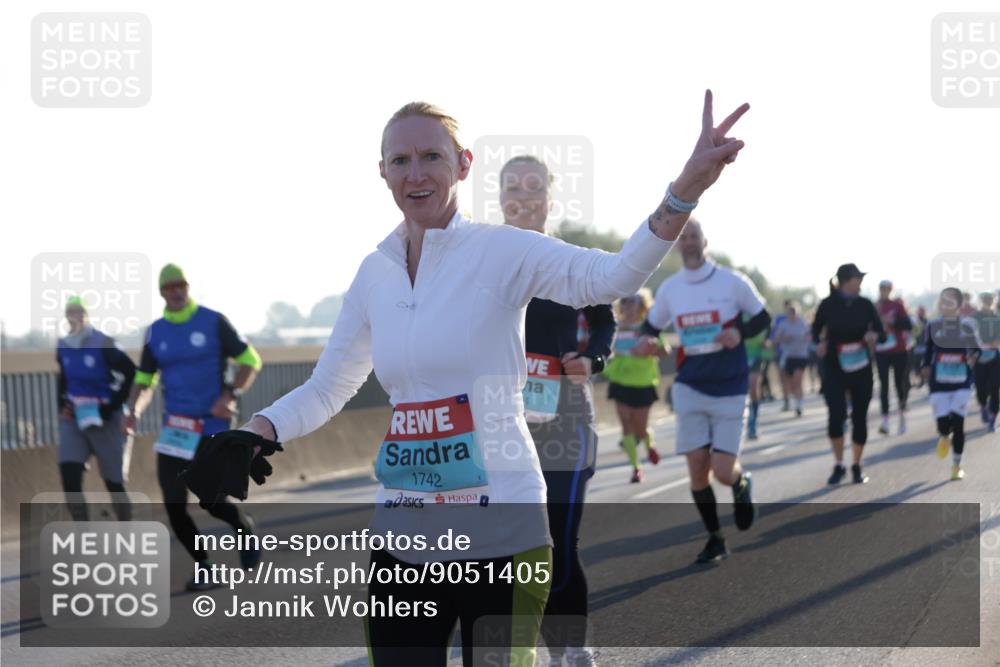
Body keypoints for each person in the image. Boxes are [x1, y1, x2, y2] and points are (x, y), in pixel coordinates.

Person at [229, 94, 750, 665]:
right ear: (382, 172)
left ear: (464, 164)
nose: (416, 173)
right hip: (404, 537)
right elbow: (329, 386)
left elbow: (615, 276)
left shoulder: (501, 251)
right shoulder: (373, 272)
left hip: (503, 530)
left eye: (432, 156)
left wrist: (685, 191)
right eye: (400, 161)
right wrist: (257, 429)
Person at [500, 154, 614, 667]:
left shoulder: (572, 259)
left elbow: (605, 319)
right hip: (499, 421)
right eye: (511, 187)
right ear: (500, 198)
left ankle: (571, 651)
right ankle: (535, 650)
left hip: (565, 416)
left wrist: (592, 359)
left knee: (558, 543)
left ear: (549, 196)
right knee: (514, 547)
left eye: (533, 186)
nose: (522, 196)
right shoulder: (483, 261)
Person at [637, 220, 770, 564]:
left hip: (729, 386)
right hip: (690, 385)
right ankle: (715, 538)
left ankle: (741, 485)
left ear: (705, 241)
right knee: (698, 467)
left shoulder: (732, 282)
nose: (689, 242)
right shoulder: (670, 289)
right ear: (677, 245)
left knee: (723, 471)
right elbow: (649, 327)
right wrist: (649, 342)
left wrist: (738, 332)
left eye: (694, 235)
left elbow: (762, 318)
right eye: (683, 238)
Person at [124, 264, 263, 591]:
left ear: (188, 287)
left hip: (211, 425)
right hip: (176, 430)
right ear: (162, 292)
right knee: (173, 504)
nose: (176, 290)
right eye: (170, 286)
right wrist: (133, 411)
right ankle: (205, 566)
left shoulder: (212, 321)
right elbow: (144, 379)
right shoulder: (156, 332)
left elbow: (250, 360)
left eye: (181, 284)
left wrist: (231, 393)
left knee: (212, 501)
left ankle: (242, 527)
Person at [56, 295, 136, 522]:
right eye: (70, 311)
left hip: (106, 417)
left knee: (114, 483)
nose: (75, 316)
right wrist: (62, 405)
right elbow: (63, 378)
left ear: (86, 314)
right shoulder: (63, 345)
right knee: (69, 477)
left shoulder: (103, 342)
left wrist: (110, 407)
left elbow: (132, 372)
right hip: (75, 418)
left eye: (79, 311)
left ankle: (126, 532)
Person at [811, 264, 885, 486]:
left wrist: (874, 336)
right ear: (845, 281)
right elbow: (815, 330)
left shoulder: (865, 304)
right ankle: (839, 464)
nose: (860, 282)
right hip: (834, 365)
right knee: (836, 414)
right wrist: (818, 344)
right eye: (857, 278)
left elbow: (881, 333)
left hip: (861, 366)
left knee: (860, 417)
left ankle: (856, 465)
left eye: (861, 278)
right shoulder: (828, 304)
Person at [604, 289, 667, 483]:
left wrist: (654, 347)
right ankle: (636, 468)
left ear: (642, 306)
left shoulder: (647, 327)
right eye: (624, 301)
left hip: (643, 382)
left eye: (632, 301)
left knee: (640, 429)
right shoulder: (613, 326)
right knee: (626, 426)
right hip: (619, 379)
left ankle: (649, 443)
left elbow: (664, 350)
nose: (627, 305)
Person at [921, 288, 981, 480]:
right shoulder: (933, 325)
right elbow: (927, 350)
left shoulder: (967, 326)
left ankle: (956, 465)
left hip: (962, 381)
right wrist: (924, 366)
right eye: (943, 301)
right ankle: (944, 436)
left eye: (950, 301)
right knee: (943, 426)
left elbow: (977, 350)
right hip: (938, 383)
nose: (945, 305)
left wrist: (972, 356)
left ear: (959, 304)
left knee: (958, 423)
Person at [874, 279, 912, 435]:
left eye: (887, 288)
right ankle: (885, 421)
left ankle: (902, 416)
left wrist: (893, 321)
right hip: (882, 350)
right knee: (883, 385)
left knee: (899, 384)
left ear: (891, 290)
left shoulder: (897, 305)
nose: (884, 291)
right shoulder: (874, 307)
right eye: (882, 288)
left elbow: (907, 325)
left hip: (898, 350)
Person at [770, 301, 811, 416]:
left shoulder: (802, 323)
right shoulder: (783, 324)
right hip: (788, 356)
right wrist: (783, 338)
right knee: (791, 383)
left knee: (798, 379)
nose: (792, 314)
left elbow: (809, 336)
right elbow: (775, 340)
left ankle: (799, 405)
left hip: (801, 356)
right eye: (789, 312)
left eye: (793, 312)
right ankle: (794, 399)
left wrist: (805, 338)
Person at [972, 291, 1000, 432]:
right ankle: (983, 406)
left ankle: (993, 419)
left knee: (995, 387)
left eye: (990, 299)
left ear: (993, 301)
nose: (988, 301)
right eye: (985, 299)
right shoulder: (975, 318)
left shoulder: (997, 317)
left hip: (996, 357)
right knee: (981, 388)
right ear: (981, 301)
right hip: (979, 357)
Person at [743, 315, 767, 439]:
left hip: (756, 358)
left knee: (753, 389)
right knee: (743, 392)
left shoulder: (756, 314)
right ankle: (745, 422)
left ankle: (753, 423)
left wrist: (766, 344)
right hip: (740, 359)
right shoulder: (734, 315)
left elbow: (765, 342)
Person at [911, 305, 930, 389]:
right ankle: (920, 378)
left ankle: (924, 380)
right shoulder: (914, 321)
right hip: (916, 346)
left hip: (925, 346)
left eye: (923, 311)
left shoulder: (927, 321)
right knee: (916, 364)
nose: (921, 312)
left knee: (924, 364)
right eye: (920, 311)